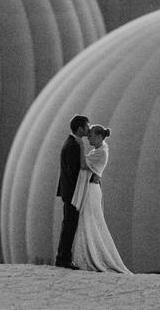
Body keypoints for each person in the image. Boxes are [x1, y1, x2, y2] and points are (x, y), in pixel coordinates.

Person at [70, 123, 130, 272]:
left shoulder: (101, 151)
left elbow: (83, 165)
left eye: (90, 135)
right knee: (86, 222)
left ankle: (93, 258)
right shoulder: (98, 150)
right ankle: (84, 257)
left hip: (91, 190)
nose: (88, 137)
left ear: (98, 136)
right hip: (90, 189)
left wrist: (80, 146)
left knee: (90, 222)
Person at [55, 114, 89, 268]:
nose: (88, 129)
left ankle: (63, 257)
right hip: (72, 193)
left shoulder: (71, 143)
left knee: (68, 224)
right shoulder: (74, 145)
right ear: (80, 128)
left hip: (69, 192)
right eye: (87, 126)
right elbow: (75, 170)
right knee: (70, 225)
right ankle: (63, 259)